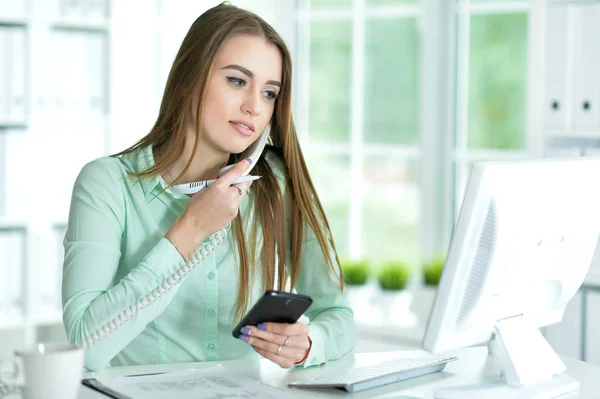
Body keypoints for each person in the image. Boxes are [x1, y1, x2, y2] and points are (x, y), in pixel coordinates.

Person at [62, 2, 356, 371]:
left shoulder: (274, 182)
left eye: (269, 93)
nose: (253, 106)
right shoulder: (106, 184)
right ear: (190, 78)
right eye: (237, 81)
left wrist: (311, 343)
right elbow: (84, 347)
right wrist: (192, 229)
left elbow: (338, 314)